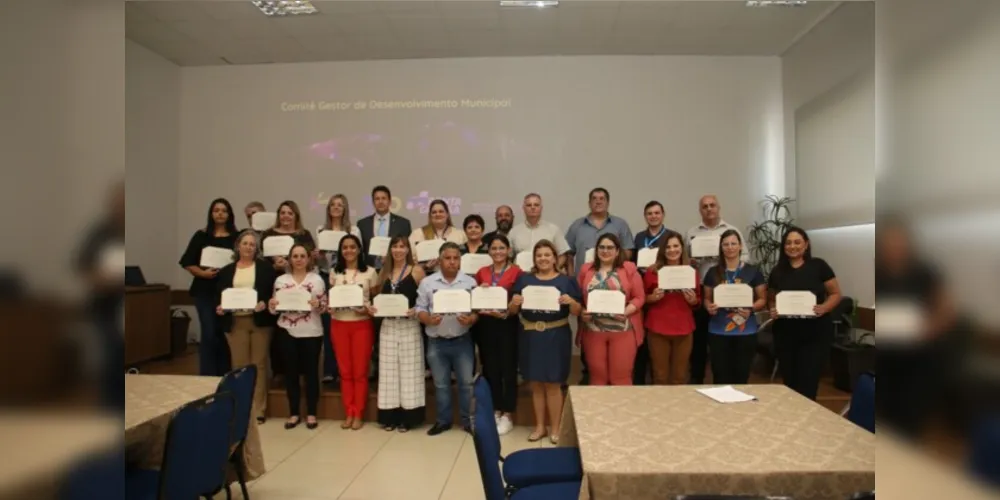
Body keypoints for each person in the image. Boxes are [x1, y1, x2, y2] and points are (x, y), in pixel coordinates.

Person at [874, 215, 956, 439]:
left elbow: (946, 309)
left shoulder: (925, 271)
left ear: (908, 243)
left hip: (918, 359)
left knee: (910, 420)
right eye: (889, 241)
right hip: (885, 357)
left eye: (899, 240)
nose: (894, 246)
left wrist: (929, 329)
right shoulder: (877, 272)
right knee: (885, 419)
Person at [509, 240, 582, 444]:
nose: (543, 258)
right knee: (536, 383)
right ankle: (540, 426)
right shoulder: (524, 280)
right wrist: (514, 304)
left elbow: (579, 312)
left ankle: (556, 428)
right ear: (534, 259)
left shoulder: (567, 281)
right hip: (531, 336)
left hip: (556, 335)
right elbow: (512, 311)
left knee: (553, 383)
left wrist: (572, 302)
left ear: (555, 257)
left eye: (547, 255)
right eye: (539, 255)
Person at [565, 188, 634, 385]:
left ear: (608, 202)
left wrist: (612, 261)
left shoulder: (620, 224)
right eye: (594, 199)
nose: (598, 202)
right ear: (589, 202)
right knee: (589, 342)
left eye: (602, 199)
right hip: (586, 292)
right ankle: (590, 374)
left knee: (620, 366)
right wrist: (571, 276)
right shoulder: (577, 226)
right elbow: (568, 253)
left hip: (617, 303)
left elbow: (628, 252)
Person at [767, 226, 842, 401]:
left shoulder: (819, 266)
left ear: (806, 245)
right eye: (788, 243)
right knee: (790, 383)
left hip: (814, 334)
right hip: (785, 333)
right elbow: (771, 298)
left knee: (808, 382)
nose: (793, 246)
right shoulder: (777, 271)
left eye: (797, 242)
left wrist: (824, 307)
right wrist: (773, 309)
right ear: (783, 247)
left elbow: (836, 294)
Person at [415, 243, 479, 435]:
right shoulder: (427, 282)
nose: (452, 262)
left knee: (466, 383)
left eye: (456, 258)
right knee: (441, 384)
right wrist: (428, 319)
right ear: (440, 260)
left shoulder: (470, 282)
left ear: (460, 260)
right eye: (447, 258)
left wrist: (471, 319)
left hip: (462, 340)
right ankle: (443, 421)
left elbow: (477, 310)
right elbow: (420, 308)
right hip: (436, 341)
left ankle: (468, 422)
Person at [215, 229, 277, 423]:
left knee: (258, 364)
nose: (248, 247)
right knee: (238, 367)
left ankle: (259, 409)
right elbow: (219, 297)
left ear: (256, 248)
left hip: (259, 321)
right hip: (235, 322)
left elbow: (270, 294)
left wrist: (264, 303)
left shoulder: (266, 268)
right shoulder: (226, 271)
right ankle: (240, 408)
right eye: (245, 243)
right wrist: (220, 308)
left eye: (252, 244)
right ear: (238, 246)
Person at [74, 180, 125, 409]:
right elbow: (81, 265)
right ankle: (109, 409)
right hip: (105, 308)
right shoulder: (100, 232)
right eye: (118, 201)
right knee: (111, 361)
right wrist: (101, 279)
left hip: (129, 306)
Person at [686, 195, 747, 384]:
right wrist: (693, 261)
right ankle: (697, 379)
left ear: (719, 207)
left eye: (712, 205)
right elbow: (685, 261)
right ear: (700, 210)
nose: (709, 209)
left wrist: (728, 259)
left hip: (728, 290)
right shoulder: (692, 232)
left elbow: (746, 257)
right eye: (704, 206)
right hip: (701, 289)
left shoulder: (732, 231)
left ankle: (726, 381)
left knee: (723, 337)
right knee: (699, 339)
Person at [268, 243, 327, 430]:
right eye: (295, 256)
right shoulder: (280, 281)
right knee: (290, 373)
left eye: (302, 256)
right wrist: (272, 305)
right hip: (287, 331)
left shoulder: (317, 279)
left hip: (311, 331)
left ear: (309, 259)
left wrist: (318, 303)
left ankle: (311, 413)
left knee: (311, 373)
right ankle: (293, 413)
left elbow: (324, 307)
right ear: (289, 259)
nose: (299, 259)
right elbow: (274, 309)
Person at [372, 236, 426, 432]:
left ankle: (408, 417)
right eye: (394, 246)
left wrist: (417, 309)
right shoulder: (383, 272)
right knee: (388, 373)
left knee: (410, 372)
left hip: (409, 324)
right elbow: (376, 298)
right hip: (388, 326)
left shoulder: (417, 271)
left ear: (408, 250)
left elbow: (425, 298)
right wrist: (373, 309)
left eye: (402, 246)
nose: (398, 250)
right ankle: (389, 416)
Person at [179, 198, 239, 377]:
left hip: (228, 292)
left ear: (229, 214)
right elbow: (187, 262)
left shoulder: (236, 237)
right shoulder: (201, 235)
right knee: (209, 332)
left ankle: (224, 375)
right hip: (204, 290)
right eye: (216, 210)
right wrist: (202, 273)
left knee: (224, 333)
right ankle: (207, 376)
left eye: (224, 210)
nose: (220, 213)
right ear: (211, 214)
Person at [576, 234, 646, 386]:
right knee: (597, 377)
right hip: (593, 330)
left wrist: (626, 311)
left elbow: (639, 297)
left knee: (621, 378)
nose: (605, 251)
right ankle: (599, 410)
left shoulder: (629, 269)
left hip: (622, 330)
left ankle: (622, 410)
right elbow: (578, 298)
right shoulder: (586, 270)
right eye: (601, 247)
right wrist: (582, 311)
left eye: (610, 247)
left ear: (617, 251)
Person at [701, 230, 766, 385]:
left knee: (741, 375)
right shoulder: (713, 272)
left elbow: (762, 299)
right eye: (726, 244)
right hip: (718, 330)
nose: (730, 247)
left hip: (746, 331)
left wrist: (751, 308)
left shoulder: (753, 271)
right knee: (720, 375)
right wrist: (709, 307)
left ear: (740, 246)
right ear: (721, 247)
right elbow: (706, 299)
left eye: (733, 243)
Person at [473, 235, 522, 435]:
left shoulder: (518, 272)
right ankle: (494, 410)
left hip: (507, 324)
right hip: (486, 325)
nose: (498, 252)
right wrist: (480, 291)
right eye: (494, 248)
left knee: (508, 370)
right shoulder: (482, 272)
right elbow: (475, 300)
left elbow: (518, 300)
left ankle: (508, 413)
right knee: (490, 368)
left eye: (502, 248)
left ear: (509, 250)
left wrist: (506, 311)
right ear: (489, 251)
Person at [328, 234, 378, 430]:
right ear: (341, 251)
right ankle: (348, 412)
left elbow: (374, 301)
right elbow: (331, 298)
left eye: (352, 247)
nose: (348, 250)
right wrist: (330, 306)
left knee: (360, 372)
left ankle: (359, 413)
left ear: (359, 249)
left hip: (361, 325)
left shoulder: (371, 272)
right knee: (345, 372)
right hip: (339, 324)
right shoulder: (334, 272)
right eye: (345, 247)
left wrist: (366, 309)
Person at [642, 231, 700, 385]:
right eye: (668, 247)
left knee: (680, 376)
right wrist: (652, 297)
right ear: (663, 249)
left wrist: (693, 300)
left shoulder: (691, 271)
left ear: (682, 248)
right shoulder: (652, 271)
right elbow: (642, 298)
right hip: (658, 327)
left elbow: (698, 301)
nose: (672, 250)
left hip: (684, 327)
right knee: (660, 375)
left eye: (676, 246)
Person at [316, 194, 362, 384]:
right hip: (327, 276)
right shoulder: (320, 229)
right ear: (328, 209)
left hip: (348, 277)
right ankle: (329, 370)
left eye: (340, 205)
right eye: (333, 205)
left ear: (345, 209)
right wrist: (317, 255)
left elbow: (359, 253)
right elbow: (319, 260)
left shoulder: (353, 230)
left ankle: (348, 371)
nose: (336, 208)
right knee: (330, 323)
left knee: (349, 322)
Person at [630, 200, 671, 383]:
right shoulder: (639, 237)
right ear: (645, 216)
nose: (653, 216)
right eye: (649, 213)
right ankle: (639, 378)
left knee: (659, 336)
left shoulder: (671, 236)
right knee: (641, 335)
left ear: (663, 215)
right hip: (642, 286)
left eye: (657, 213)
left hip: (663, 288)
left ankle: (659, 379)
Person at [507, 193, 570, 269]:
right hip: (520, 276)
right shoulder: (514, 232)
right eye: (529, 205)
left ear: (541, 208)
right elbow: (507, 257)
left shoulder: (554, 229)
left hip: (547, 277)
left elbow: (562, 255)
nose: (533, 207)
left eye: (536, 205)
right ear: (523, 208)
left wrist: (552, 272)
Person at [357, 185, 412, 269]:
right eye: (377, 199)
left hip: (396, 269)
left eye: (383, 198)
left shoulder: (403, 223)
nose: (380, 201)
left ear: (389, 201)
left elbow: (407, 249)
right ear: (373, 202)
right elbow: (360, 251)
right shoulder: (362, 224)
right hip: (370, 270)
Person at [409, 199, 467, 272]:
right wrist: (424, 266)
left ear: (447, 214)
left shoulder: (459, 234)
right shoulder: (417, 233)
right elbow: (409, 258)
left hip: (453, 276)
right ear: (430, 215)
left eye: (441, 211)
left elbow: (465, 259)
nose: (438, 214)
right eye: (434, 212)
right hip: (425, 276)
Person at [261, 200, 316, 274]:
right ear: (278, 215)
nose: (285, 216)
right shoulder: (268, 234)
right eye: (282, 213)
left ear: (296, 216)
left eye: (290, 213)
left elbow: (310, 259)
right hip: (271, 275)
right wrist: (274, 265)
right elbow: (261, 258)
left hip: (298, 275)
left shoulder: (304, 234)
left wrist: (290, 264)